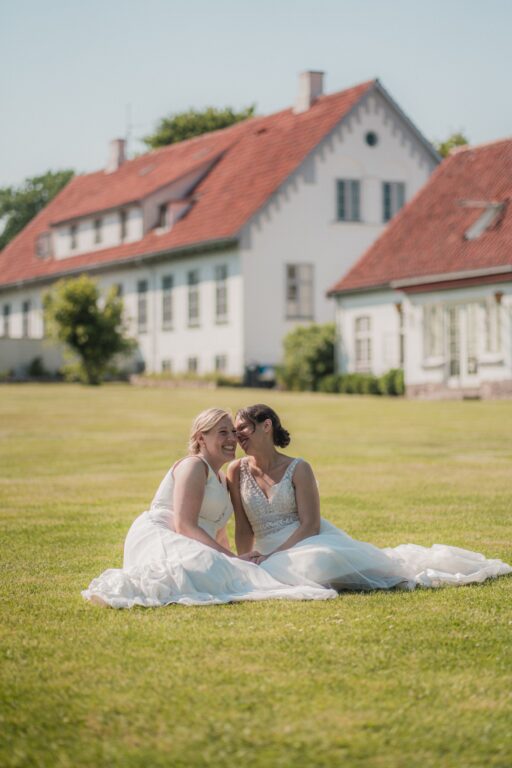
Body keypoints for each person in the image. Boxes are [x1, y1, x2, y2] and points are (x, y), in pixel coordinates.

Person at [227, 404, 512, 591]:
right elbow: (243, 526)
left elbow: (310, 525)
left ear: (266, 426)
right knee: (297, 571)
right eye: (235, 431)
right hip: (264, 550)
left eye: (243, 428)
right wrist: (246, 559)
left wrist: (274, 556)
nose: (237, 436)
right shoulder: (236, 471)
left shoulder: (298, 468)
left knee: (320, 561)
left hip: (306, 542)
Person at [82, 408, 335, 607]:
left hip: (191, 538)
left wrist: (234, 560)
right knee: (207, 568)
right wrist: (233, 559)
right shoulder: (194, 466)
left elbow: (218, 531)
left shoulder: (222, 479)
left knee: (220, 571)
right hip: (165, 534)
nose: (232, 440)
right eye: (222, 433)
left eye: (233, 433)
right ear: (201, 437)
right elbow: (184, 524)